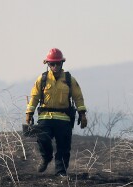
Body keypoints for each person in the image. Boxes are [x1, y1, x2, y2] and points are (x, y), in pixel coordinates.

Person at [25, 48, 88, 176]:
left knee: (63, 146)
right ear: (48, 64)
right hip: (45, 118)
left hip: (64, 119)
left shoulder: (70, 80)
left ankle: (60, 172)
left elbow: (78, 98)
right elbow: (34, 97)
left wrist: (82, 114)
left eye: (57, 63)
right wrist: (29, 113)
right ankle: (46, 157)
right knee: (42, 138)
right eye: (51, 64)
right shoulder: (41, 79)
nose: (54, 66)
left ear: (62, 63)